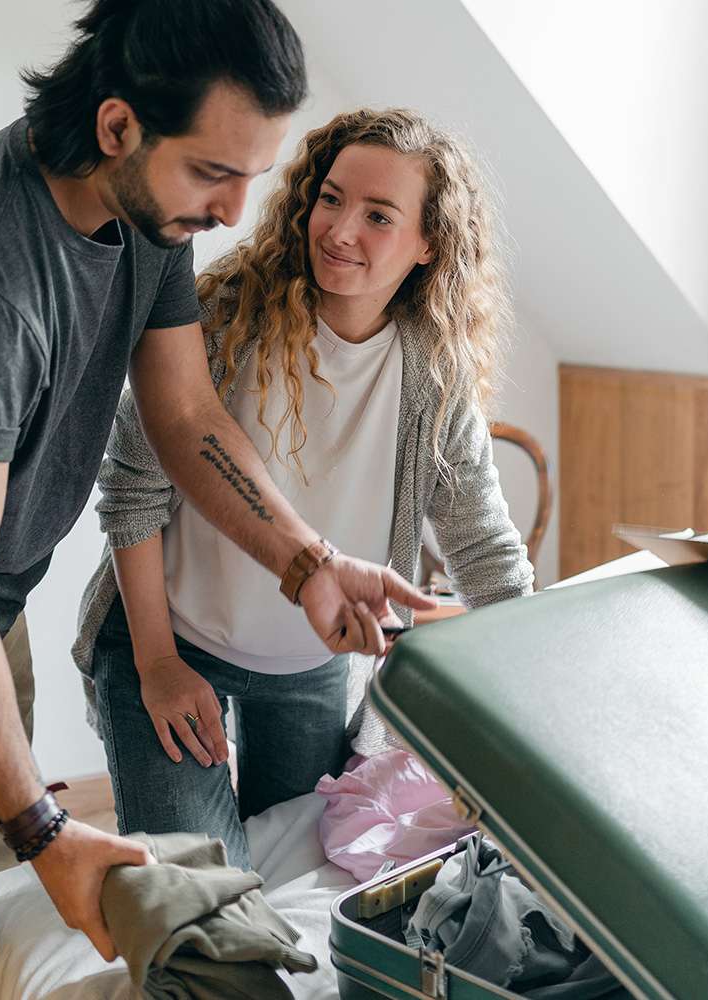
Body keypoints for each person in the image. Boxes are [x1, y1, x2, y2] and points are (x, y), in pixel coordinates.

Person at [0, 5, 434, 998]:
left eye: (252, 175)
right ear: (117, 126)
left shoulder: (144, 208)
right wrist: (48, 829)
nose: (236, 212)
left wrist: (309, 564)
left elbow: (186, 414)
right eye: (215, 174)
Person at [73, 108, 535, 870]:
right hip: (166, 640)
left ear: (429, 243)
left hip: (309, 668)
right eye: (331, 199)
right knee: (203, 884)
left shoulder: (434, 377)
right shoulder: (221, 318)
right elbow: (131, 496)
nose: (341, 230)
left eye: (379, 215)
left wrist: (545, 691)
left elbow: (485, 552)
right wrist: (156, 665)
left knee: (302, 872)